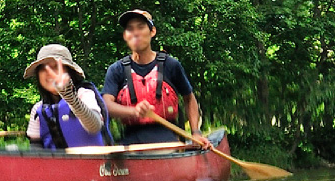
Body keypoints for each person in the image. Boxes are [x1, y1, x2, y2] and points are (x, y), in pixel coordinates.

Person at [101, 10, 210, 148]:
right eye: (130, 29)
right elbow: (107, 105)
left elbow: (189, 98)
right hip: (130, 142)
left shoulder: (171, 65)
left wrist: (196, 132)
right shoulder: (117, 69)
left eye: (140, 27)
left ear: (152, 32)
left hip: (168, 139)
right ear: (125, 36)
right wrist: (134, 111)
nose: (135, 33)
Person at [23, 44, 114, 149]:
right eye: (44, 68)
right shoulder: (38, 109)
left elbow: (94, 126)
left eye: (56, 67)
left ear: (70, 72)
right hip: (56, 165)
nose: (50, 73)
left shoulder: (84, 94)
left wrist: (70, 97)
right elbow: (35, 148)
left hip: (93, 163)